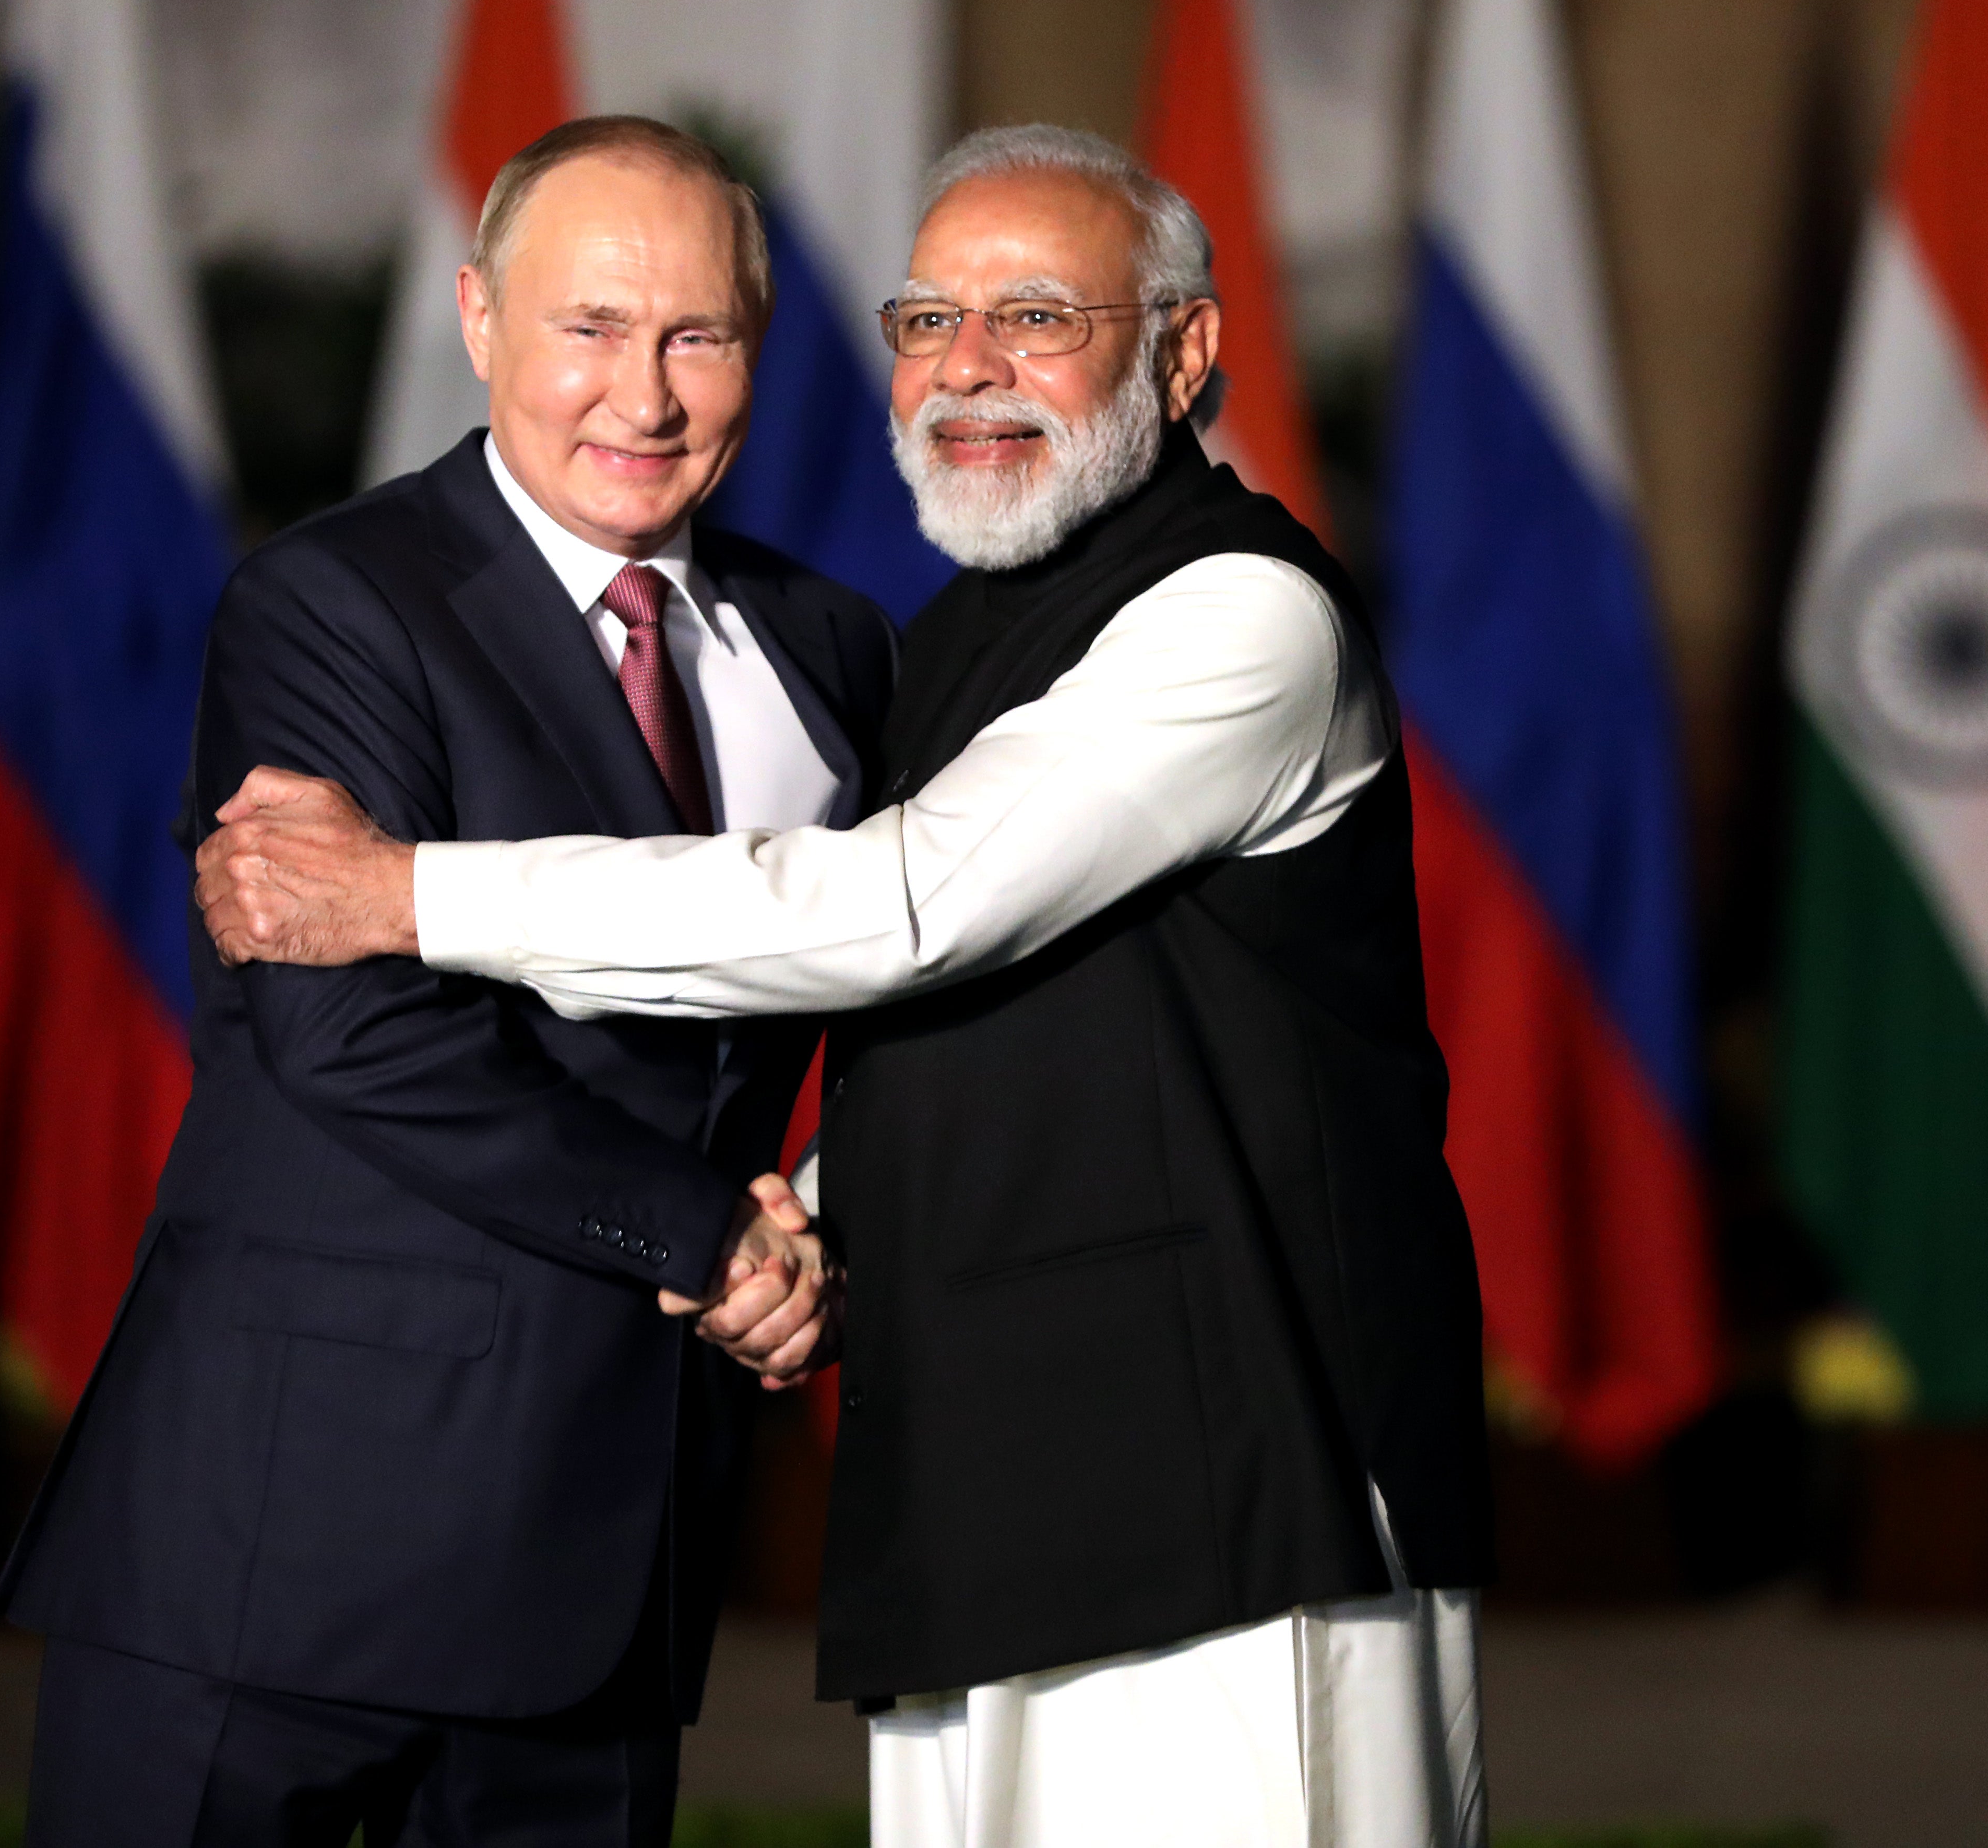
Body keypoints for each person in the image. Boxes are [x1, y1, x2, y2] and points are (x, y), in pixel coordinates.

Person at [196, 124, 1496, 1848]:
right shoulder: (962, 630)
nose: (966, 367)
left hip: (1251, 1480)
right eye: (924, 321)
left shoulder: (1241, 617)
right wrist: (799, 1216)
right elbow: (1003, 1037)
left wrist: (405, 893)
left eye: (1037, 315)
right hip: (1002, 1465)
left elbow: (903, 911)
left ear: (1181, 354)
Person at [7, 115, 894, 1848]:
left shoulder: (831, 647)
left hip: (609, 1567)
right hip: (283, 1550)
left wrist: (817, 1232)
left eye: (695, 337)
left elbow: (883, 979)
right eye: (589, 328)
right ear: (481, 320)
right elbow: (346, 1035)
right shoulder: (335, 604)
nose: (640, 396)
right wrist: (706, 1238)